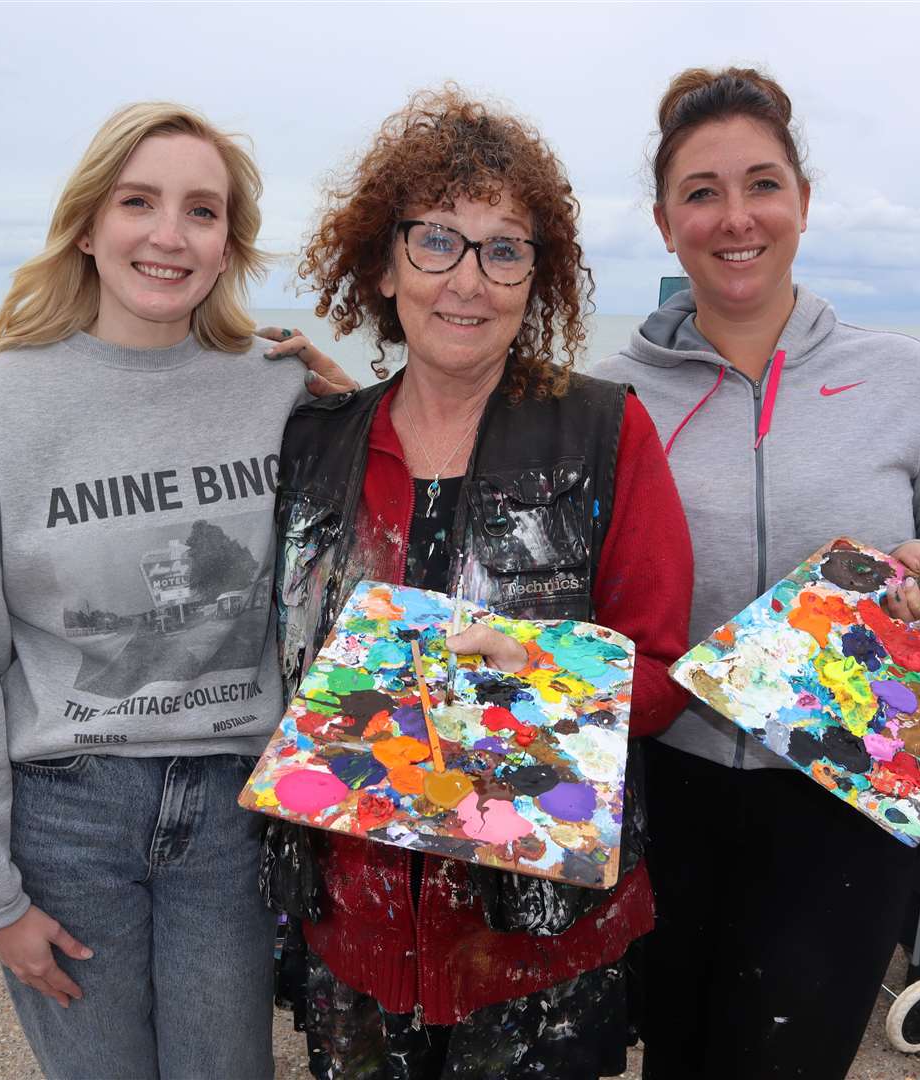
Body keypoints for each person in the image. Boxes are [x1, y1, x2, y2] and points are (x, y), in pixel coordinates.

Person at [589, 67, 920, 1079]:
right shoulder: (609, 397)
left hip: (844, 791)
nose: (735, 218)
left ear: (804, 203)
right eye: (701, 192)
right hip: (668, 785)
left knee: (795, 1053)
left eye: (762, 185)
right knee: (677, 1049)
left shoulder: (907, 377)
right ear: (663, 223)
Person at [0, 101, 345, 1079]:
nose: (167, 234)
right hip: (67, 816)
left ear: (230, 243)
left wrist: (347, 406)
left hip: (235, 812)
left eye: (201, 210)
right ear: (90, 223)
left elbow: (352, 563)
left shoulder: (276, 390)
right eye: (139, 201)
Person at [263, 88, 694, 1079]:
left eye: (504, 249)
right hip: (353, 943)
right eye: (437, 242)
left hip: (537, 949)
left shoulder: (605, 432)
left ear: (536, 278)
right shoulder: (312, 445)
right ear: (382, 259)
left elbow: (666, 675)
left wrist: (543, 674)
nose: (469, 279)